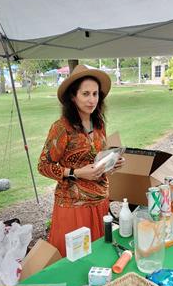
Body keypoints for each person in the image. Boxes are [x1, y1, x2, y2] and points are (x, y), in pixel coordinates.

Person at [38, 64, 124, 256]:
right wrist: (75, 173)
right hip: (73, 206)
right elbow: (43, 165)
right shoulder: (62, 127)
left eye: (95, 94)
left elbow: (95, 160)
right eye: (85, 94)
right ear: (72, 96)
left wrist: (111, 164)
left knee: (99, 255)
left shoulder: (98, 123)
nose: (92, 100)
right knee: (76, 258)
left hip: (100, 201)